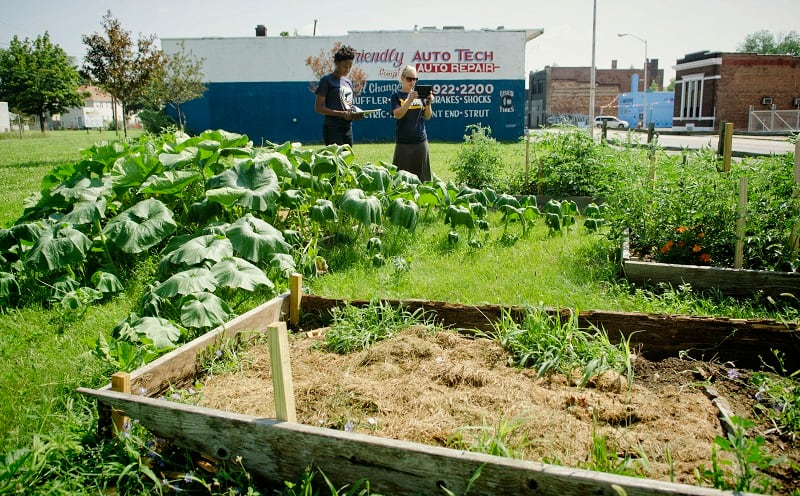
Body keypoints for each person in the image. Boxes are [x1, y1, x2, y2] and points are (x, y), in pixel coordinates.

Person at [391, 65, 433, 182]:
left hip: (420, 141)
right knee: (401, 180)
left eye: (415, 79)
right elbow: (398, 114)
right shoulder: (396, 96)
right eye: (410, 79)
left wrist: (429, 103)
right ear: (402, 78)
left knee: (422, 179)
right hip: (403, 142)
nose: (412, 82)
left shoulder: (420, 95)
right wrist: (409, 100)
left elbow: (427, 116)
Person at [314, 45, 363, 146]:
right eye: (345, 66)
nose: (347, 69)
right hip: (332, 128)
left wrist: (355, 114)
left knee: (347, 159)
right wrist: (342, 114)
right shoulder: (326, 80)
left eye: (350, 67)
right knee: (336, 159)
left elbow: (347, 107)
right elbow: (319, 108)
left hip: (348, 127)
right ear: (336, 63)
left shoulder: (348, 82)